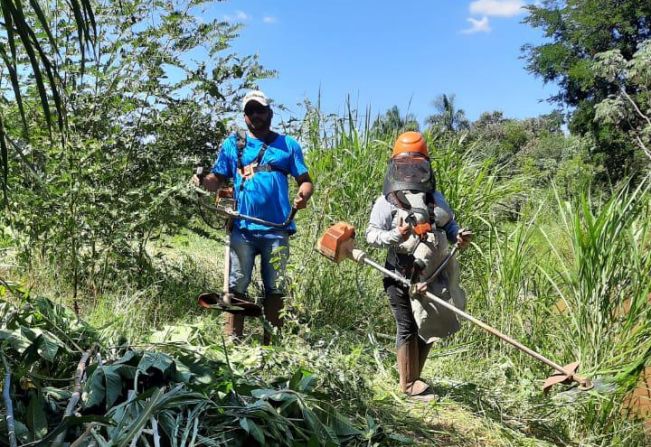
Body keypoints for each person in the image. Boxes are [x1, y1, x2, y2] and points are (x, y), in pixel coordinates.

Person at [193, 90, 314, 344]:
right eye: (250, 111)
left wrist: (303, 197)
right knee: (236, 287)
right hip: (242, 229)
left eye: (260, 110)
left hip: (277, 230)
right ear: (244, 116)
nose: (255, 116)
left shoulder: (288, 145)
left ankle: (272, 346)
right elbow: (217, 179)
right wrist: (203, 179)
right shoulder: (233, 145)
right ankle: (233, 344)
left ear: (270, 113)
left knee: (276, 289)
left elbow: (305, 181)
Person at [365, 131, 471, 401]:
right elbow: (371, 235)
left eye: (417, 166)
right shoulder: (387, 202)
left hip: (432, 275)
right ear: (396, 167)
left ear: (425, 166)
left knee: (428, 326)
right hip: (399, 274)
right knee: (407, 326)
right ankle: (406, 384)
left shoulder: (436, 198)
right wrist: (395, 236)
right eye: (405, 166)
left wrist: (459, 236)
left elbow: (449, 225)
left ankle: (415, 378)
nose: (411, 172)